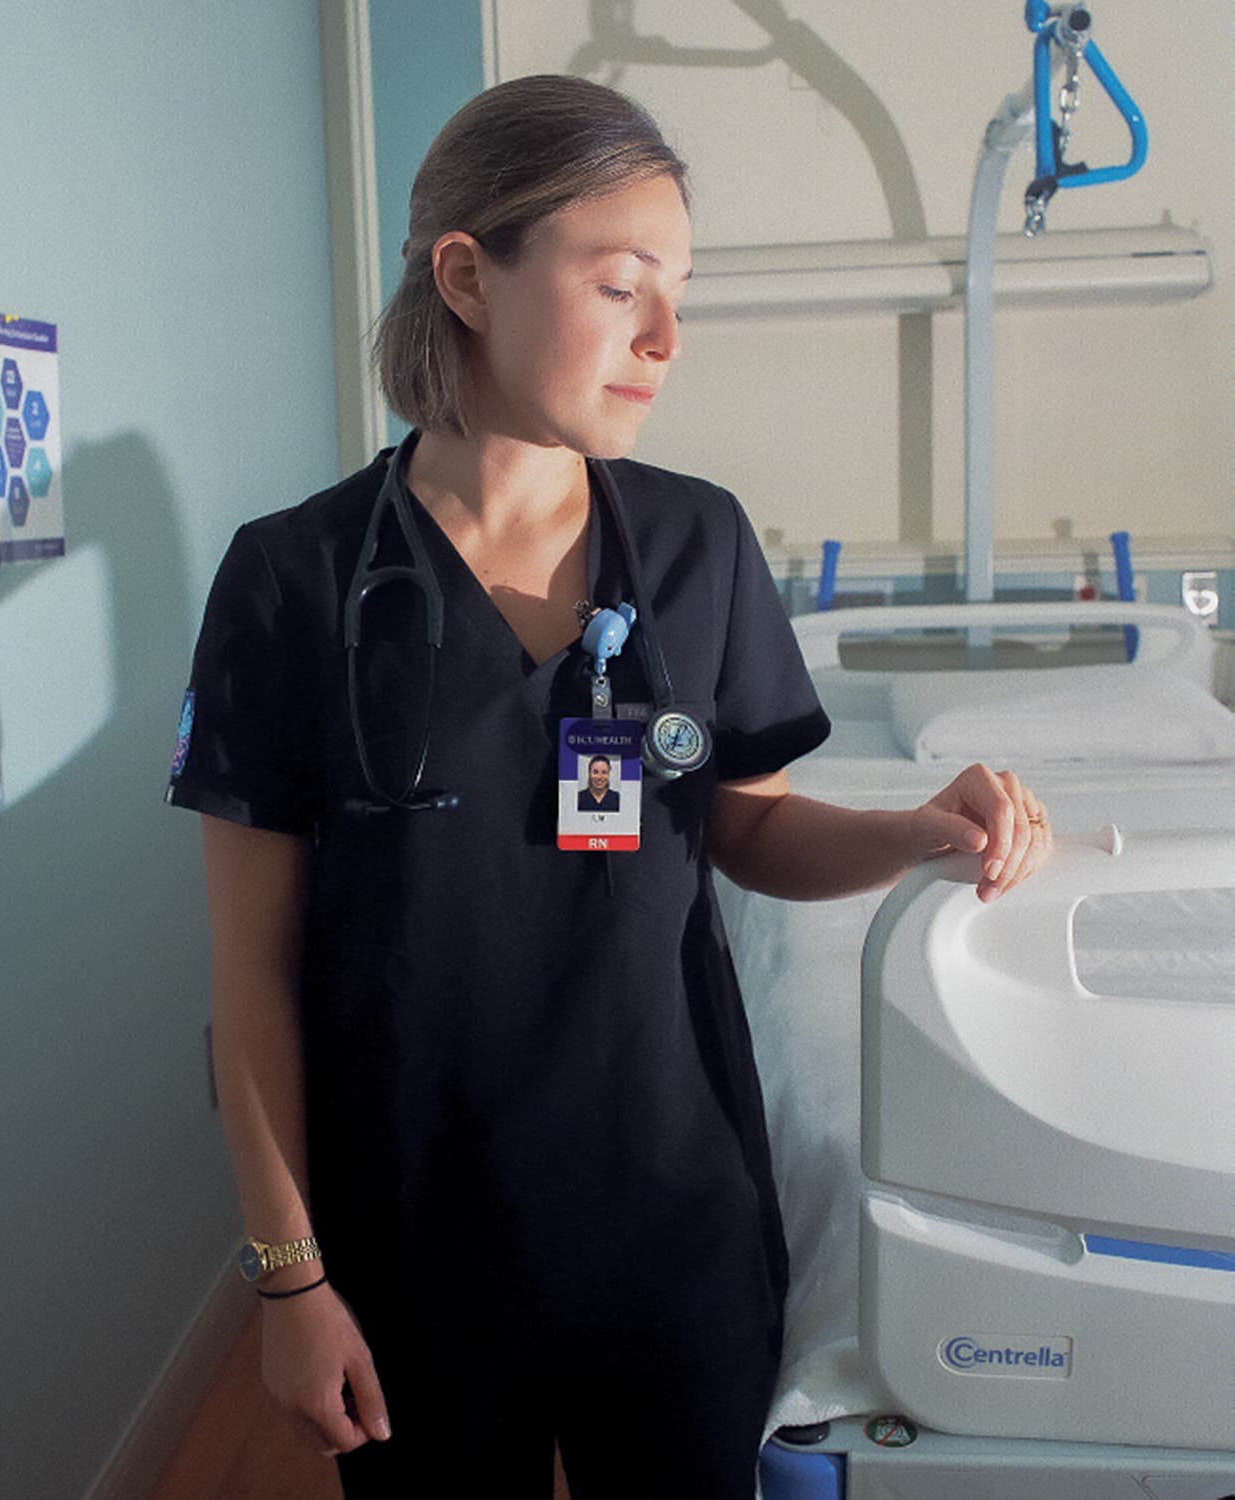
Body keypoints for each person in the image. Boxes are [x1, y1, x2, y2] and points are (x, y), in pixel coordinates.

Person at [166, 74, 1052, 1499]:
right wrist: (288, 1278)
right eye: (623, 286)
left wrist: (913, 832)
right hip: (416, 1248)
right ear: (469, 276)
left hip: (674, 1222)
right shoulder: (294, 580)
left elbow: (750, 823)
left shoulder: (698, 545)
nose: (666, 340)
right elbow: (250, 977)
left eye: (678, 295)